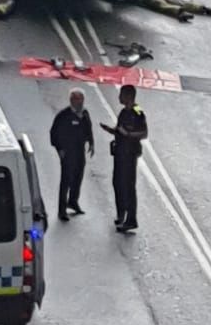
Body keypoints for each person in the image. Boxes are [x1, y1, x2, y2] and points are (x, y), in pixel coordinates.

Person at [101, 83, 148, 233]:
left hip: (130, 154)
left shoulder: (138, 112)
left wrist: (128, 135)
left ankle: (131, 219)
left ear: (129, 96)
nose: (119, 97)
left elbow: (144, 133)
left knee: (128, 186)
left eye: (121, 94)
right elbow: (119, 129)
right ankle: (121, 213)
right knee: (117, 183)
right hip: (120, 152)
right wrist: (111, 130)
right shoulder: (122, 112)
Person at [50, 89, 94, 222]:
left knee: (78, 177)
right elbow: (54, 133)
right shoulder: (64, 115)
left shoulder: (85, 114)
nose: (79, 103)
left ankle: (73, 201)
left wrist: (91, 143)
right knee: (66, 180)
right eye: (76, 100)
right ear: (71, 101)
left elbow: (88, 128)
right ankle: (61, 210)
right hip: (68, 152)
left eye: (81, 100)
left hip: (80, 151)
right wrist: (60, 149)